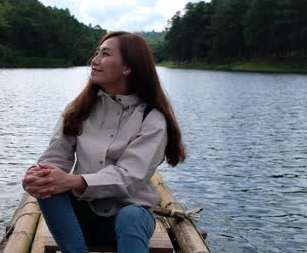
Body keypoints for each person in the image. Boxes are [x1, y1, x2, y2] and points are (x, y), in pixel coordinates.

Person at [22, 31, 186, 253]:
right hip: (80, 221)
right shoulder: (78, 109)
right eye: (96, 53)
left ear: (127, 68)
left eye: (105, 54)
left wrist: (74, 181)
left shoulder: (152, 118)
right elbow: (55, 158)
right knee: (48, 186)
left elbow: (129, 176)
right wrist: (36, 176)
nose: (95, 60)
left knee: (131, 215)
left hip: (129, 219)